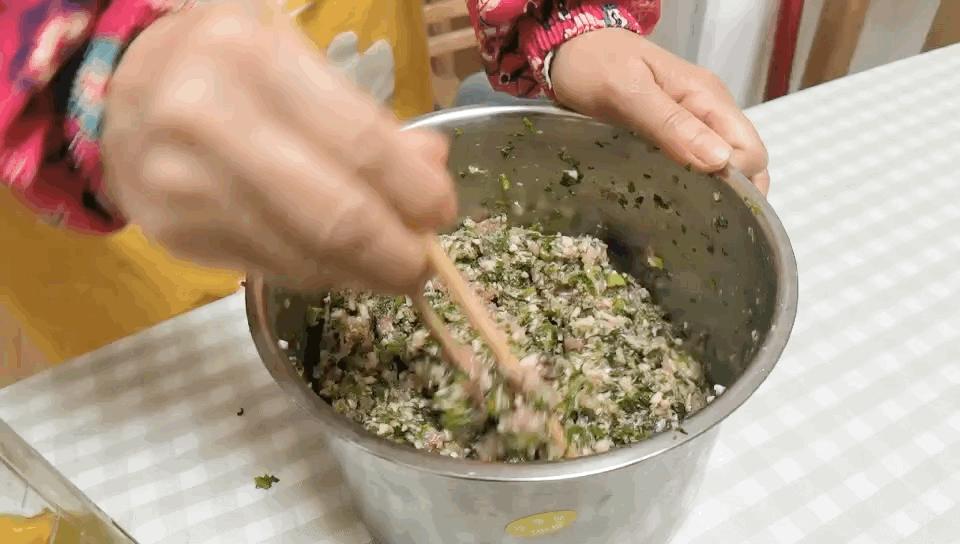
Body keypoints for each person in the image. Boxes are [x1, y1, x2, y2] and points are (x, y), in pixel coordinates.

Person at [0, 0, 768, 364]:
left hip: (355, 55)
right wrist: (87, 68)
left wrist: (562, 18)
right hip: (110, 241)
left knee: (391, 235)